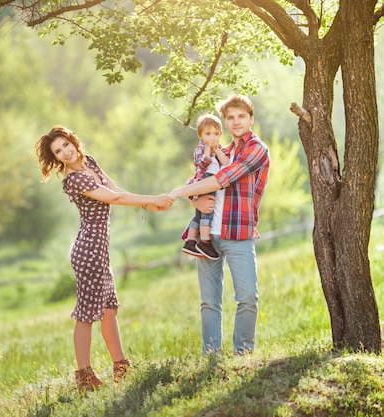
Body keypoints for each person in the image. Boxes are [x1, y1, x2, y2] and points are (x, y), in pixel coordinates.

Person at [35, 125, 174, 393]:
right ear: (55, 157)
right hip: (88, 252)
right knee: (86, 314)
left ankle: (121, 367)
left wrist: (152, 205)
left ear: (74, 140)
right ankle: (84, 377)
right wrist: (153, 199)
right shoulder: (73, 179)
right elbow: (115, 198)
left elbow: (117, 189)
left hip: (99, 250)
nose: (65, 152)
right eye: (58, 151)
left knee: (109, 310)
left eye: (66, 144)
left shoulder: (90, 162)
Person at [169, 94, 270, 356]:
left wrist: (177, 193)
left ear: (251, 119)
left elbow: (223, 178)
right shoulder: (220, 152)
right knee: (209, 301)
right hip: (208, 237)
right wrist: (195, 200)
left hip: (238, 234)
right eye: (231, 117)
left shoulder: (257, 149)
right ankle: (211, 355)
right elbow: (198, 179)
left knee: (247, 297)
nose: (236, 122)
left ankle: (244, 353)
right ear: (225, 122)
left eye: (241, 116)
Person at [181, 114, 229, 260]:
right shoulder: (200, 149)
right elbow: (203, 163)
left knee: (199, 214)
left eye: (216, 134)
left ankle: (190, 241)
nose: (212, 137)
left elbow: (226, 163)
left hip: (213, 179)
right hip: (206, 179)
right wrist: (209, 147)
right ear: (200, 135)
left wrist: (216, 149)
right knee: (208, 210)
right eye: (208, 134)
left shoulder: (218, 148)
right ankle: (205, 241)